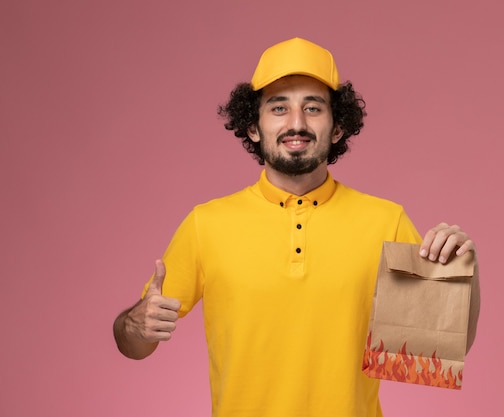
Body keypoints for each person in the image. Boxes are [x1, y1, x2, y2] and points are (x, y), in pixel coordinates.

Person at [113, 37, 480, 417]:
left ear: (337, 128)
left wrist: (466, 271)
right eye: (278, 107)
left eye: (313, 107)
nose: (296, 123)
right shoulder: (206, 224)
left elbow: (433, 353)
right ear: (253, 127)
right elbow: (133, 345)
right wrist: (136, 324)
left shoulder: (386, 221)